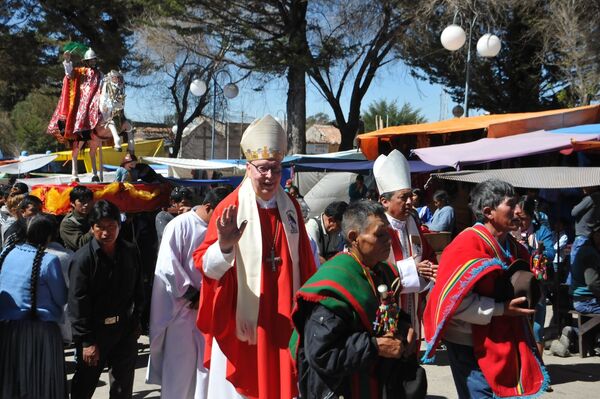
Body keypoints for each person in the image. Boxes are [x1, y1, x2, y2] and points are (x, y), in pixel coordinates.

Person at [193, 115, 316, 399]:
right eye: (262, 169)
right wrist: (224, 245)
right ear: (249, 168)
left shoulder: (291, 208)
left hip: (285, 318)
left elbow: (306, 262)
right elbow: (206, 267)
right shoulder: (231, 206)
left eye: (275, 169)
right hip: (246, 324)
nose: (270, 177)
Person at [422, 179, 548, 398]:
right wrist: (502, 309)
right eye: (512, 204)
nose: (519, 211)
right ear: (489, 212)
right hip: (466, 341)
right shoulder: (465, 245)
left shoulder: (514, 247)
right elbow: (453, 303)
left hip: (502, 339)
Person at [290, 200, 425, 398]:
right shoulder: (333, 285)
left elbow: (385, 314)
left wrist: (404, 326)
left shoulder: (381, 271)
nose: (388, 239)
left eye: (387, 232)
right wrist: (375, 346)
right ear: (354, 238)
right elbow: (322, 354)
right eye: (379, 234)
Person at [147, 186, 231, 399]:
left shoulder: (225, 230)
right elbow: (168, 265)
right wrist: (192, 293)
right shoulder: (180, 225)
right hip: (182, 311)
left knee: (207, 373)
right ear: (209, 207)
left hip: (212, 311)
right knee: (179, 374)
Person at [68, 200, 144, 399]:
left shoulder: (130, 251)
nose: (105, 232)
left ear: (119, 226)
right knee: (84, 386)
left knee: (122, 387)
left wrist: (137, 320)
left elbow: (139, 288)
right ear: (92, 228)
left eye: (111, 227)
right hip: (95, 333)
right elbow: (77, 301)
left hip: (125, 330)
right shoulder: (83, 259)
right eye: (99, 227)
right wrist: (86, 341)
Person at [0, 214, 68, 398]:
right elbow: (61, 298)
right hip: (41, 334)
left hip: (8, 332)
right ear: (48, 237)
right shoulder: (49, 261)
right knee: (41, 386)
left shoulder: (7, 252)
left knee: (13, 385)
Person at [374, 149, 437, 347]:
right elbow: (372, 269)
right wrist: (413, 269)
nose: (411, 202)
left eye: (411, 196)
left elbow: (428, 256)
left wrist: (431, 269)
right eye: (404, 197)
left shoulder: (413, 224)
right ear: (384, 201)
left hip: (413, 307)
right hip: (386, 312)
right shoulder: (375, 228)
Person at [515, 195, 555, 358]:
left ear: (531, 216)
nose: (519, 221)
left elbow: (550, 253)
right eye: (516, 216)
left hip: (535, 284)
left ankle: (540, 372)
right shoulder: (508, 230)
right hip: (515, 285)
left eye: (523, 218)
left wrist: (533, 251)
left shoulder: (541, 231)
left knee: (537, 327)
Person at [47, 48, 104, 142]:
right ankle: (76, 130)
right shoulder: (81, 71)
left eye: (94, 59)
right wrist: (68, 61)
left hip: (95, 97)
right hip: (82, 97)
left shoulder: (99, 74)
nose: (93, 62)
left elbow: (103, 84)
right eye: (91, 60)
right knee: (81, 108)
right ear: (86, 61)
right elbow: (69, 74)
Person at [570, 221, 600, 314]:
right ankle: (574, 329)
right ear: (596, 235)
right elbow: (593, 284)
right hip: (586, 301)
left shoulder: (588, 249)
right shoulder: (590, 253)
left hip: (584, 299)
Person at [570, 187, 600, 275]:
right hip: (589, 237)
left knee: (576, 268)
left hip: (582, 238)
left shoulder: (591, 198)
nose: (583, 187)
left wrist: (576, 206)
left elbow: (574, 212)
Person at [60, 185, 94, 252]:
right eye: (82, 201)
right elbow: (80, 244)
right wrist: (94, 230)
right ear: (72, 203)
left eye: (89, 200)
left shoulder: (93, 214)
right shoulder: (67, 223)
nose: (86, 204)